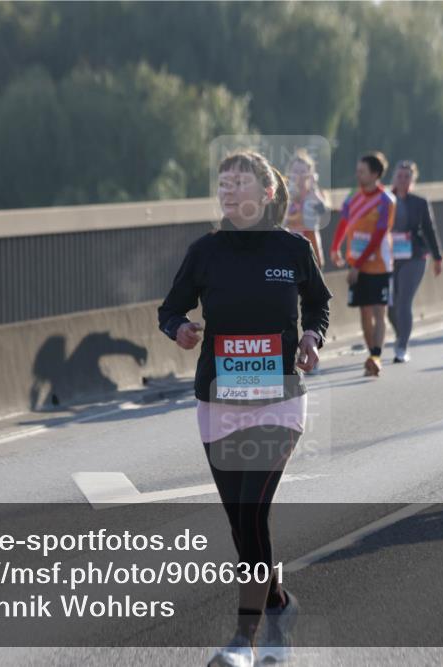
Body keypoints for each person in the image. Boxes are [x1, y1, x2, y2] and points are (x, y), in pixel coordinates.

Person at [158, 150, 332, 666]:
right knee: (242, 522)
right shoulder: (205, 252)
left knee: (252, 511)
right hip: (219, 401)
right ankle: (279, 605)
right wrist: (181, 330)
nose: (229, 190)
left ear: (267, 193)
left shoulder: (294, 249)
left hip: (277, 402)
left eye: (240, 182)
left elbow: (319, 304)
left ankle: (244, 640)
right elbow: (171, 309)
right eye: (223, 182)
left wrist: (311, 336)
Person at [330, 151, 396, 376]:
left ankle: (376, 355)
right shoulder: (352, 196)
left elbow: (379, 235)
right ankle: (371, 355)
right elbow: (344, 223)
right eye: (357, 171)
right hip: (356, 263)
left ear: (375, 174)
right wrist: (335, 247)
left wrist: (358, 265)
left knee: (379, 311)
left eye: (362, 172)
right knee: (364, 313)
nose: (358, 175)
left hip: (379, 264)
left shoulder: (386, 200)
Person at [388, 159, 443, 363]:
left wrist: (438, 257)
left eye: (407, 177)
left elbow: (430, 230)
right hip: (390, 256)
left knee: (404, 302)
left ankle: (402, 346)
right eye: (399, 176)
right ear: (393, 177)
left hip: (414, 256)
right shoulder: (385, 199)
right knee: (390, 304)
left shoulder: (419, 202)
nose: (403, 180)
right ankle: (400, 332)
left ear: (413, 180)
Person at [283, 149, 329, 270]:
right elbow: (280, 221)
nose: (299, 175)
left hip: (311, 251)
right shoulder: (285, 195)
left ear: (310, 173)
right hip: (290, 251)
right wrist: (289, 198)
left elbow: (323, 213)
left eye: (303, 171)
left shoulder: (315, 195)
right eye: (296, 171)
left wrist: (313, 190)